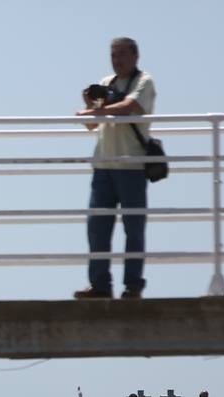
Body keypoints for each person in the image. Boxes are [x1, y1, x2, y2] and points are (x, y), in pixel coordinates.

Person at [74, 37, 157, 301]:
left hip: (131, 164)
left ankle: (133, 286)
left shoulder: (144, 82)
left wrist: (94, 112)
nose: (116, 59)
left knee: (133, 229)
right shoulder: (107, 83)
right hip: (104, 165)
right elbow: (93, 124)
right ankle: (100, 285)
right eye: (113, 54)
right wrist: (90, 106)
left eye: (121, 54)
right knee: (97, 228)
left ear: (135, 56)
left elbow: (129, 106)